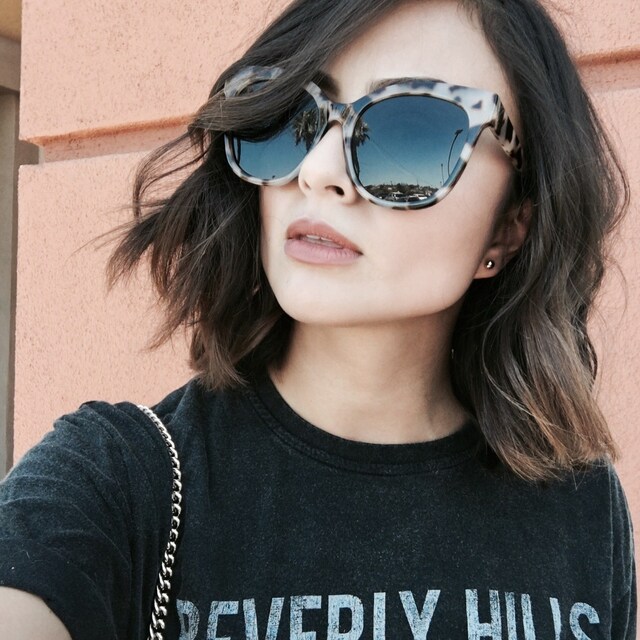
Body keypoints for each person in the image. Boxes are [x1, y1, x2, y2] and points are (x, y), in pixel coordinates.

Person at [0, 0, 636, 638]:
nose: (319, 171)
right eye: (293, 117)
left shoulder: (579, 504)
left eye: (409, 130)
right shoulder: (117, 481)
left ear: (508, 227)